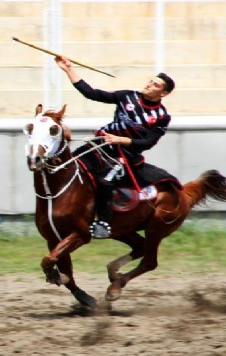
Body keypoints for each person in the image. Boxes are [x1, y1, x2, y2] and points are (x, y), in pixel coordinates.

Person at [54, 55, 175, 239]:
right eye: (150, 81)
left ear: (163, 93)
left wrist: (119, 140)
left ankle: (103, 222)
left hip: (124, 156)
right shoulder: (127, 96)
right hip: (101, 144)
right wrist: (68, 69)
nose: (149, 85)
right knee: (70, 165)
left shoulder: (161, 116)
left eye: (156, 85)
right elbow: (92, 94)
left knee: (105, 182)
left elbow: (148, 142)